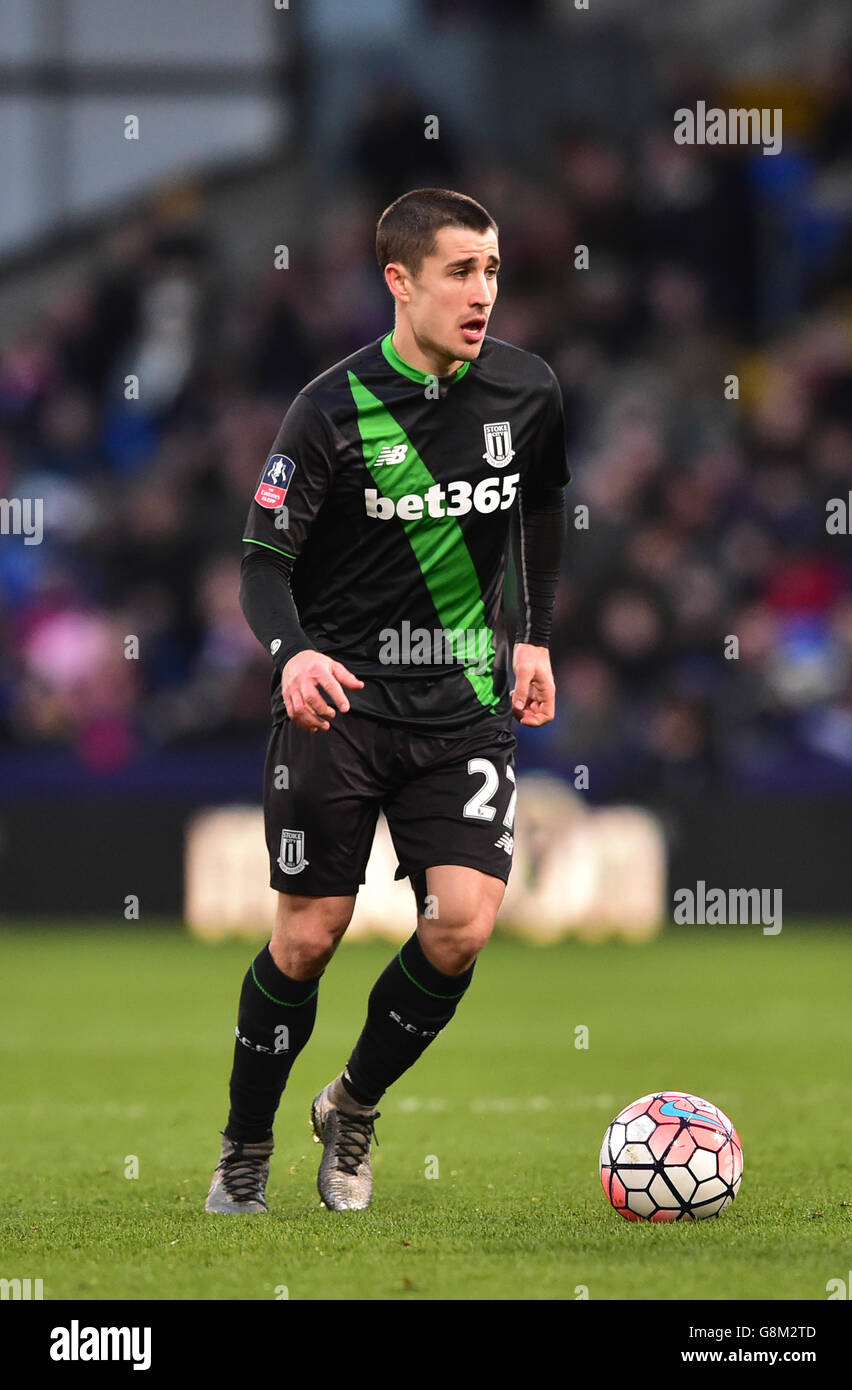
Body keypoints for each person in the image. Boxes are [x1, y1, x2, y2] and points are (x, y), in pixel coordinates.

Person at [205, 188, 569, 1215]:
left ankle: (352, 1103)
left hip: (460, 709)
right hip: (341, 707)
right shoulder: (327, 410)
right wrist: (291, 654)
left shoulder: (526, 391)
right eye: (460, 270)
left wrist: (533, 632)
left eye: (492, 269)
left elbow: (540, 504)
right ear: (398, 281)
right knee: (307, 935)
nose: (483, 292)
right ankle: (243, 1145)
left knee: (458, 926)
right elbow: (261, 562)